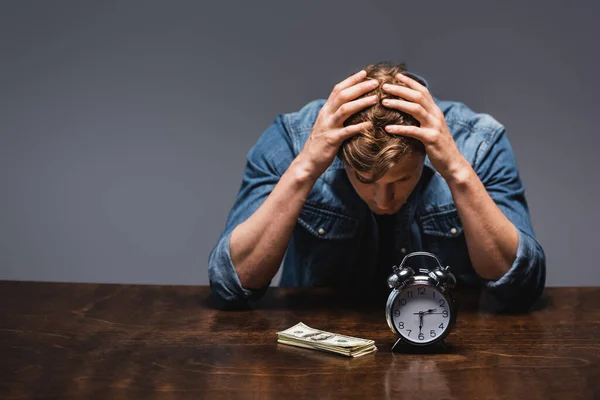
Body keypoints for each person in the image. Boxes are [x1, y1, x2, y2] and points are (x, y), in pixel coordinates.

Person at [208, 62, 546, 312]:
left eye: (401, 180)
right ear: (342, 160)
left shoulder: (480, 142)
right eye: (366, 181)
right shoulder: (293, 140)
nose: (384, 201)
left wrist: (457, 170)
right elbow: (230, 285)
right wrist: (306, 168)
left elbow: (521, 287)